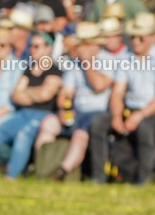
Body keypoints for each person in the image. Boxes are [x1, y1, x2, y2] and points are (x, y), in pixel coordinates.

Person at [89, 15, 155, 184]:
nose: (135, 41)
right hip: (133, 109)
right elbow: (117, 93)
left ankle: (145, 177)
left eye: (140, 37)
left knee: (145, 126)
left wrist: (140, 115)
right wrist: (116, 115)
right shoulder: (125, 58)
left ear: (151, 37)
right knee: (99, 122)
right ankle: (98, 174)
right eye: (133, 37)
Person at [34, 21, 114, 181]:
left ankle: (61, 172)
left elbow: (99, 85)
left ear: (94, 45)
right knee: (49, 122)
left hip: (97, 113)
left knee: (80, 134)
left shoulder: (108, 60)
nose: (80, 48)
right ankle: (41, 167)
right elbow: (65, 93)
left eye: (83, 44)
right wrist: (64, 110)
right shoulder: (75, 64)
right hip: (77, 112)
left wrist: (87, 64)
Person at [0, 31, 62, 179]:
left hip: (43, 115)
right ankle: (8, 164)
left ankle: (11, 175)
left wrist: (26, 92)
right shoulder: (28, 70)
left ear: (48, 48)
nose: (32, 49)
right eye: (31, 46)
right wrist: (35, 93)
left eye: (36, 46)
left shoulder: (55, 71)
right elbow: (16, 95)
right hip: (23, 113)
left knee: (23, 135)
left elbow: (45, 95)